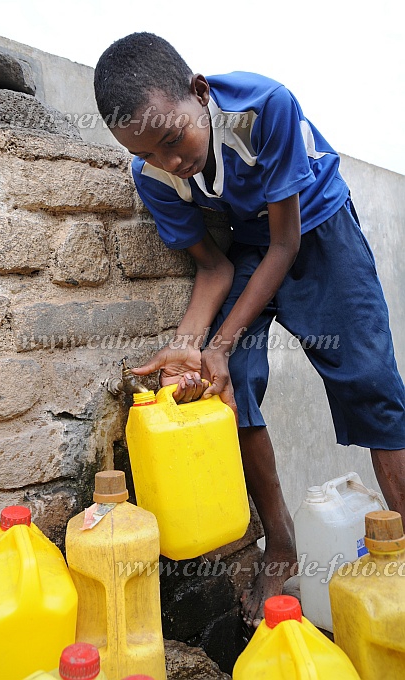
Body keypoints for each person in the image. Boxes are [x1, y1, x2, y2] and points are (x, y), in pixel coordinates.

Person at [94, 32, 405, 629]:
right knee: (223, 381)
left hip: (315, 230)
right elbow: (213, 269)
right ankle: (281, 543)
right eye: (150, 154)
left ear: (200, 92)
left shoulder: (264, 110)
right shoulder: (154, 175)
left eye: (172, 140)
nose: (169, 162)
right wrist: (190, 347)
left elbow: (287, 243)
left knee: (369, 379)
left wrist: (219, 341)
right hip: (249, 248)